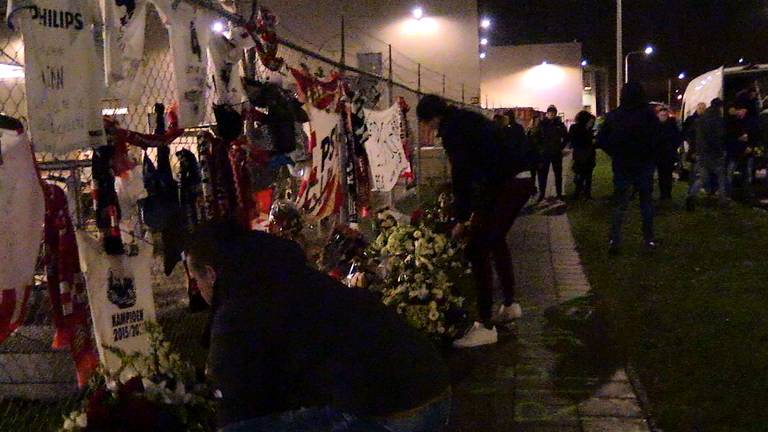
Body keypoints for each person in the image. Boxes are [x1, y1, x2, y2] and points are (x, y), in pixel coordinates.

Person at [186, 223, 452, 432]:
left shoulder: (237, 308)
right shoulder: (285, 272)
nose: (198, 289)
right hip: (433, 388)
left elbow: (234, 410)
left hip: (392, 414)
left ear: (211, 273)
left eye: (196, 279)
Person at [416, 94, 536, 348]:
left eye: (427, 123)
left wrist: (462, 218)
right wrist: (473, 213)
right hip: (517, 179)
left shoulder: (454, 130)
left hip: (509, 183)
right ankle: (509, 305)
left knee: (477, 247)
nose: (429, 129)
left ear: (433, 117)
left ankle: (485, 325)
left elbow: (463, 175)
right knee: (495, 240)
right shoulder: (466, 119)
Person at [597, 82, 661, 255]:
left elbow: (601, 139)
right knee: (646, 203)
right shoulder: (649, 115)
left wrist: (614, 152)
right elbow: (657, 139)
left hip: (622, 164)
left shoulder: (615, 116)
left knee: (619, 205)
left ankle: (614, 239)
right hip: (644, 165)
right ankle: (648, 239)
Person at [686, 98, 729, 210]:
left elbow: (697, 137)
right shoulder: (717, 119)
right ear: (719, 107)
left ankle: (691, 196)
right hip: (714, 154)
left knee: (703, 178)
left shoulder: (702, 118)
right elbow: (717, 138)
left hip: (702, 153)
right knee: (721, 176)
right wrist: (720, 151)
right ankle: (723, 200)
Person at [532, 105, 568, 202]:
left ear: (555, 114)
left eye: (553, 113)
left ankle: (559, 194)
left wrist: (561, 147)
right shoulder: (542, 124)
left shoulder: (559, 124)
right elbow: (536, 137)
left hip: (556, 153)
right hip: (545, 154)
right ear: (547, 113)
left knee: (558, 175)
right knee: (542, 175)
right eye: (550, 112)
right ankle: (542, 194)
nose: (552, 114)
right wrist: (540, 148)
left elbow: (566, 137)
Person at [726, 99, 757, 197]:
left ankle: (747, 192)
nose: (741, 112)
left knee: (746, 172)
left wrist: (750, 146)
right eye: (740, 110)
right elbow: (729, 136)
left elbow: (753, 135)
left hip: (745, 152)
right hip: (736, 151)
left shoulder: (749, 122)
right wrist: (739, 138)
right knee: (731, 171)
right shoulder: (733, 121)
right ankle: (728, 192)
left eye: (743, 110)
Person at [655, 106, 683, 200]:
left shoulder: (671, 125)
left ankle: (667, 193)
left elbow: (678, 137)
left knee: (667, 174)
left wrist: (673, 147)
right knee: (661, 174)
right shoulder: (656, 125)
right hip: (659, 154)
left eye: (664, 115)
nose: (663, 116)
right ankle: (663, 193)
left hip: (668, 154)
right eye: (661, 115)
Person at [568, 110, 597, 200]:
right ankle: (578, 193)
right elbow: (575, 141)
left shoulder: (587, 129)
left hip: (588, 156)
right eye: (589, 121)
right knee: (580, 175)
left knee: (587, 176)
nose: (591, 123)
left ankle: (586, 194)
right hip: (581, 156)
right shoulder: (577, 128)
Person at [681, 103, 707, 184]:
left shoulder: (705, 120)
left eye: (703, 108)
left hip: (701, 147)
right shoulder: (691, 120)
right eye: (700, 108)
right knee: (694, 168)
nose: (702, 110)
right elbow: (685, 132)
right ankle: (692, 186)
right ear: (697, 108)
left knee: (697, 168)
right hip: (693, 147)